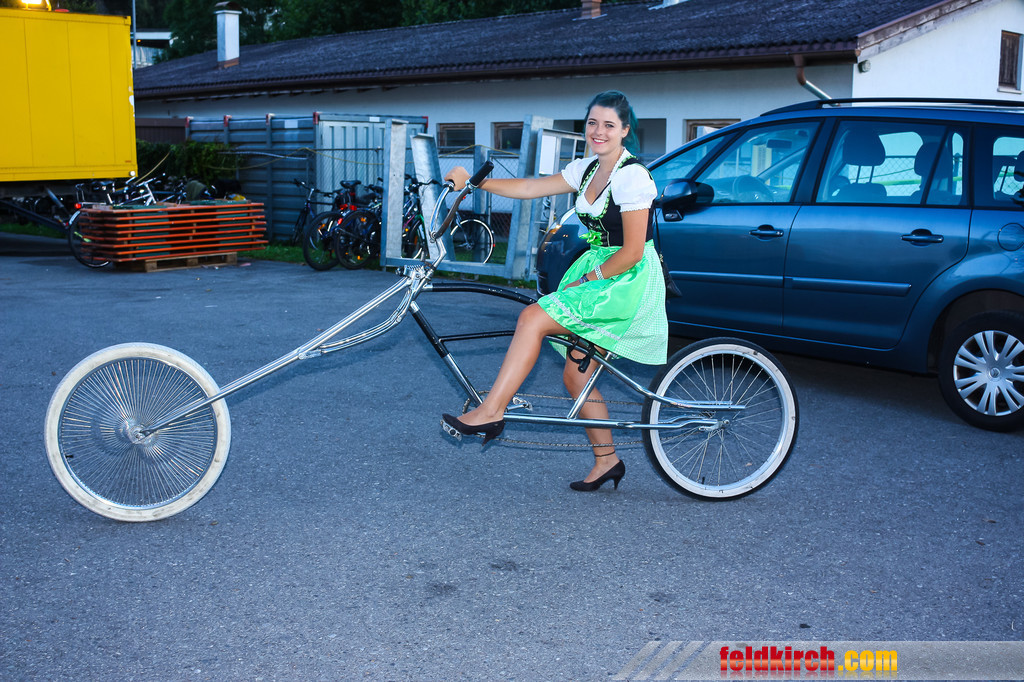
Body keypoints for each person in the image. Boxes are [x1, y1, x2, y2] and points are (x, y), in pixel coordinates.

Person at [441, 90, 668, 492]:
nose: (599, 131)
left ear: (625, 131)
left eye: (609, 125)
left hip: (625, 278)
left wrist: (589, 279)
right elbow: (531, 188)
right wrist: (476, 183)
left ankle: (492, 410)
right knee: (576, 377)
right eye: (593, 123)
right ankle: (607, 461)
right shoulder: (587, 168)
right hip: (602, 271)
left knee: (532, 318)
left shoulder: (632, 176)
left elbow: (633, 252)